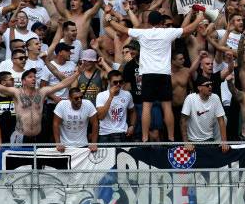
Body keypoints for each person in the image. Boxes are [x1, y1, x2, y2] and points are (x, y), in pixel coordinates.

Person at [107, 9, 204, 142]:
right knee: (167, 106)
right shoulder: (168, 32)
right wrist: (199, 17)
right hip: (164, 74)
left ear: (148, 21)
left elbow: (123, 30)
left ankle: (145, 137)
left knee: (147, 106)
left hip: (148, 74)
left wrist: (109, 19)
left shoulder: (143, 33)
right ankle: (171, 137)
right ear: (161, 22)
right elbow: (188, 29)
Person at [0, 65, 83, 143]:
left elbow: (62, 84)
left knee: (36, 168)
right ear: (23, 81)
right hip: (20, 136)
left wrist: (77, 73)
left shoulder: (42, 92)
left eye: (34, 77)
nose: (33, 79)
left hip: (38, 137)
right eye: (30, 77)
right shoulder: (17, 92)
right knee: (19, 167)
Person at [180, 76, 229, 153]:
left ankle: (218, 144)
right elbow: (183, 121)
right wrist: (186, 143)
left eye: (211, 85)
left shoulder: (215, 97)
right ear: (199, 88)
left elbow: (221, 120)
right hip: (193, 141)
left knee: (224, 118)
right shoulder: (190, 98)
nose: (210, 87)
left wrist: (224, 142)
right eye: (207, 85)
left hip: (209, 140)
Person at [96, 70, 136, 143]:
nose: (118, 84)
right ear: (108, 81)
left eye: (120, 82)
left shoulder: (127, 94)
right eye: (115, 82)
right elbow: (100, 116)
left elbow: (132, 111)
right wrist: (111, 97)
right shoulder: (101, 95)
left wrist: (132, 126)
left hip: (123, 133)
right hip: (106, 134)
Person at [53, 87, 98, 151]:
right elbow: (55, 124)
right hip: (65, 146)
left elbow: (95, 123)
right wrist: (58, 143)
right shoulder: (62, 105)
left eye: (81, 97)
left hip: (82, 144)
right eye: (76, 98)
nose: (79, 100)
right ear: (70, 99)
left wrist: (94, 143)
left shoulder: (88, 104)